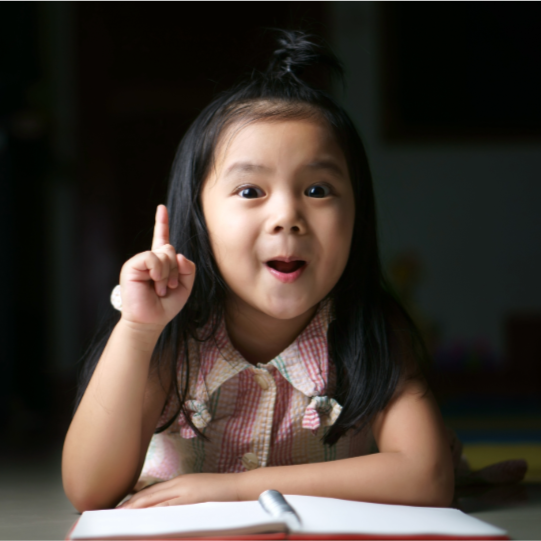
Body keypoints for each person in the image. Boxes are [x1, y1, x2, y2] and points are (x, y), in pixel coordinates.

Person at [62, 31, 524, 513]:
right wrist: (138, 330)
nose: (287, 215)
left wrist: (239, 489)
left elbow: (425, 477)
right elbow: (88, 491)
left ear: (357, 216)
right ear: (198, 217)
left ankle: (464, 466)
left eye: (319, 190)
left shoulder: (370, 330)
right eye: (249, 191)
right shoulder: (169, 337)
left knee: (441, 462)